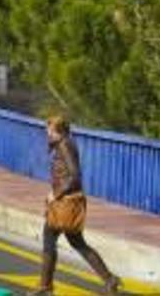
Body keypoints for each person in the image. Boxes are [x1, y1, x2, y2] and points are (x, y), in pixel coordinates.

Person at [32, 117, 121, 295]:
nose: (47, 134)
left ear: (60, 131)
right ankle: (109, 279)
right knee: (76, 242)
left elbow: (75, 176)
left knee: (51, 240)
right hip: (66, 201)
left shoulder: (65, 145)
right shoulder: (63, 144)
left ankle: (45, 287)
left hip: (65, 202)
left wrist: (55, 194)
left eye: (50, 131)